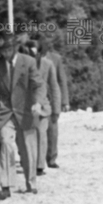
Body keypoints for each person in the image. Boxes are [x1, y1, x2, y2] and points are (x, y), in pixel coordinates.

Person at [0, 33, 44, 200]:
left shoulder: (29, 62)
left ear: (15, 47)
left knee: (27, 150)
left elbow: (39, 85)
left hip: (26, 111)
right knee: (6, 144)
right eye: (3, 50)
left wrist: (38, 103)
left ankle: (30, 183)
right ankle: (5, 186)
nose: (6, 53)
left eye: (9, 49)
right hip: (4, 113)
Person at [25, 40, 61, 177]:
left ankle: (39, 166)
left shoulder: (47, 64)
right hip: (24, 104)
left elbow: (54, 86)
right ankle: (29, 161)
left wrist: (56, 109)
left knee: (41, 134)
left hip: (43, 105)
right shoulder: (22, 63)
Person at [39, 37, 69, 169]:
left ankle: (51, 158)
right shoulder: (30, 58)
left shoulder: (55, 59)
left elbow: (61, 80)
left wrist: (64, 101)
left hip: (51, 98)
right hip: (37, 98)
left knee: (52, 129)